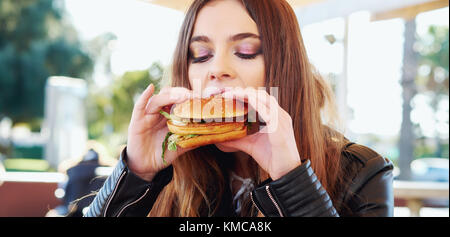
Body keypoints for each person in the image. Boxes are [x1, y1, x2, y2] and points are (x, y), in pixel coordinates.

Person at [85, 0, 394, 217]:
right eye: (201, 54)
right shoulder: (165, 170)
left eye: (246, 51)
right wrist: (136, 173)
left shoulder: (363, 172)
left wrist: (291, 178)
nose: (217, 69)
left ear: (284, 67)